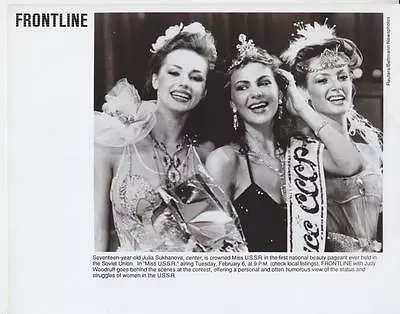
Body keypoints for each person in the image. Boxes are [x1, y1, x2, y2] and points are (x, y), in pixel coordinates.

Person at [94, 22, 246, 252]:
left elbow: (216, 244)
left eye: (196, 77)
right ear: (155, 79)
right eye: (174, 72)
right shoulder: (114, 143)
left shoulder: (205, 155)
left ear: (203, 92)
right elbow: (96, 235)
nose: (184, 83)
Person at [206, 34, 363, 252]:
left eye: (264, 82)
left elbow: (351, 164)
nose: (256, 93)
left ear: (280, 94)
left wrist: (302, 108)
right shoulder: (225, 160)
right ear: (233, 103)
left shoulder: (301, 151)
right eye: (243, 87)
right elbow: (214, 247)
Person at [281, 20, 383, 252]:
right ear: (304, 92)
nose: (336, 86)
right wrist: (303, 111)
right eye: (322, 79)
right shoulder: (303, 153)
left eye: (342, 76)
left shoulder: (370, 144)